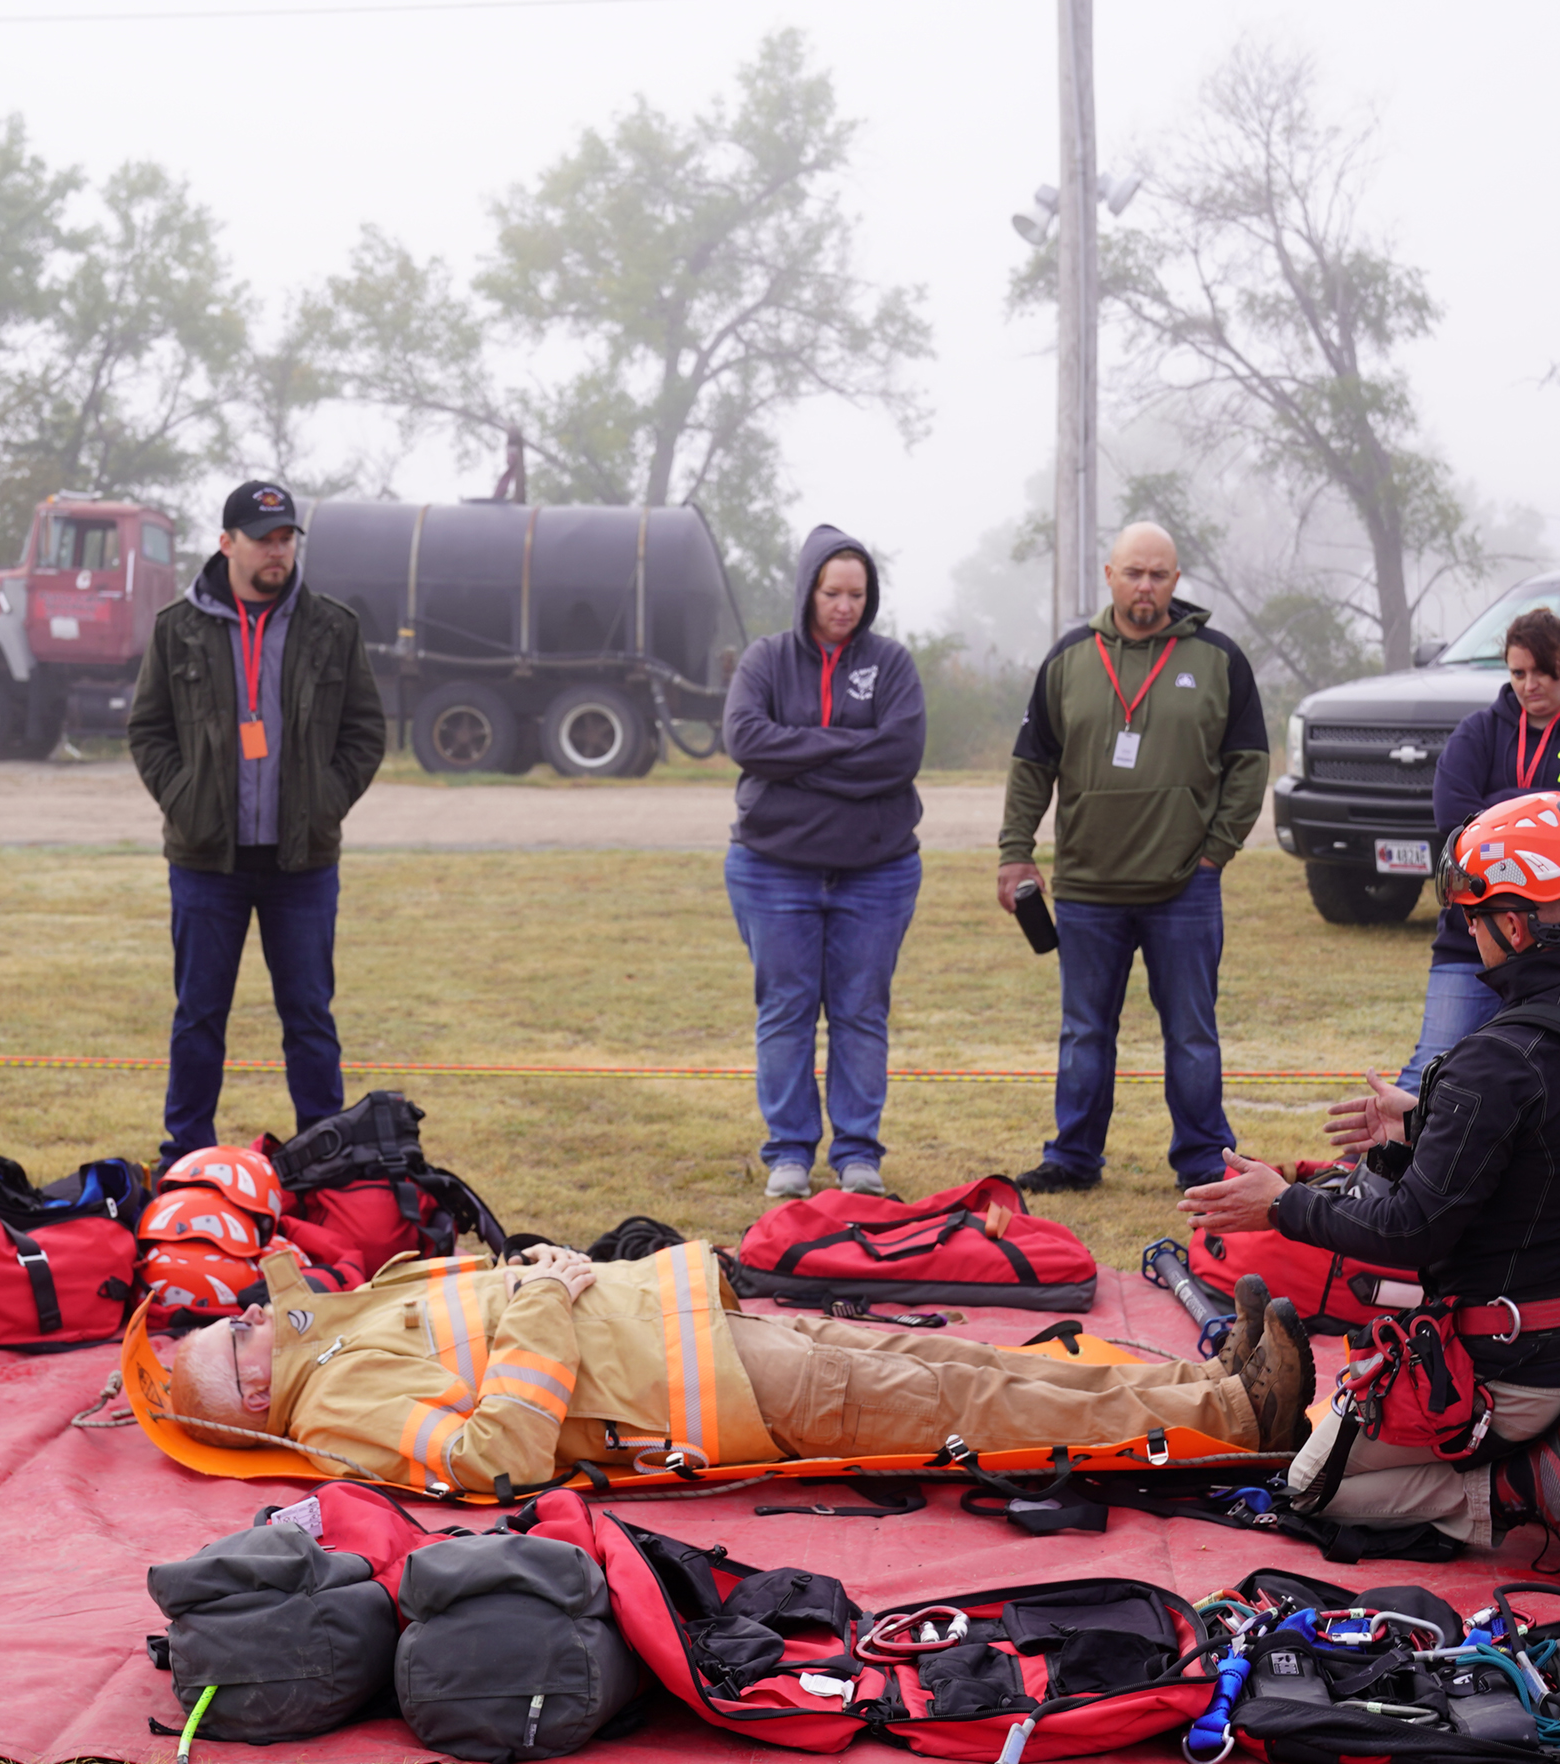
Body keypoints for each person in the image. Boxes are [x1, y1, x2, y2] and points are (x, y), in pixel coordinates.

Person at [1181, 791, 1560, 1584]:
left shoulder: (1494, 1059)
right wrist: (1426, 1123)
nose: (1467, 931)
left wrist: (1282, 1204)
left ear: (1514, 922)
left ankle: (1519, 1484)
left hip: (1517, 1377)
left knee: (1312, 1484)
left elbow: (1409, 1233)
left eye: (1473, 915)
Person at [163, 1241, 1314, 1493]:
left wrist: (539, 1281)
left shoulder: (339, 1332)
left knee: (968, 1363)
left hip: (702, 1343)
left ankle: (1202, 1392)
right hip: (710, 1396)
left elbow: (480, 1296)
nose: (260, 1319)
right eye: (240, 1339)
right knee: (975, 1402)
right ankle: (1233, 1415)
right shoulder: (337, 1411)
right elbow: (491, 1459)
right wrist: (541, 1306)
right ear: (254, 1392)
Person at [995, 522, 1268, 1194]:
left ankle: (1204, 1157)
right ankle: (1073, 1156)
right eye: (1134, 572)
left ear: (1176, 582)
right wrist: (1014, 853)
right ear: (1110, 575)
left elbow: (1249, 765)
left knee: (1192, 1034)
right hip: (1089, 886)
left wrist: (1215, 854)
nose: (1146, 586)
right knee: (1084, 1032)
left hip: (1185, 888)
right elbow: (1032, 766)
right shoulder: (1068, 658)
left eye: (1159, 574)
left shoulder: (1218, 659)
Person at [128, 480, 385, 1167]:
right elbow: (148, 731)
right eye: (264, 538)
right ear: (227, 543)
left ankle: (324, 1157)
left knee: (308, 1017)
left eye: (287, 537)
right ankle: (186, 1156)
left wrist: (324, 800)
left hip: (302, 864)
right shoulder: (175, 627)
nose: (279, 550)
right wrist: (185, 799)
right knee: (198, 1018)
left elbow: (365, 731)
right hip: (206, 862)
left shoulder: (333, 626)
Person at [720, 525, 927, 1201]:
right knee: (785, 1007)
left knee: (861, 1010)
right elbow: (746, 739)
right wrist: (845, 748)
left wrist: (799, 760)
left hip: (878, 871)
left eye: (857, 594)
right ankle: (788, 1152)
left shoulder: (893, 665)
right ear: (808, 589)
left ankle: (858, 1153)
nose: (844, 605)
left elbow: (898, 756)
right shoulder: (765, 659)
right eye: (832, 591)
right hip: (773, 868)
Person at [1401, 607, 1560, 1094]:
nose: (1530, 685)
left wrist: (1497, 806)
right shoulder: (1477, 732)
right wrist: (1547, 813)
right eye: (1518, 673)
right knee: (1436, 1068)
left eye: (1543, 670)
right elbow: (1452, 817)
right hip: (1471, 943)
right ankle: (1378, 1166)